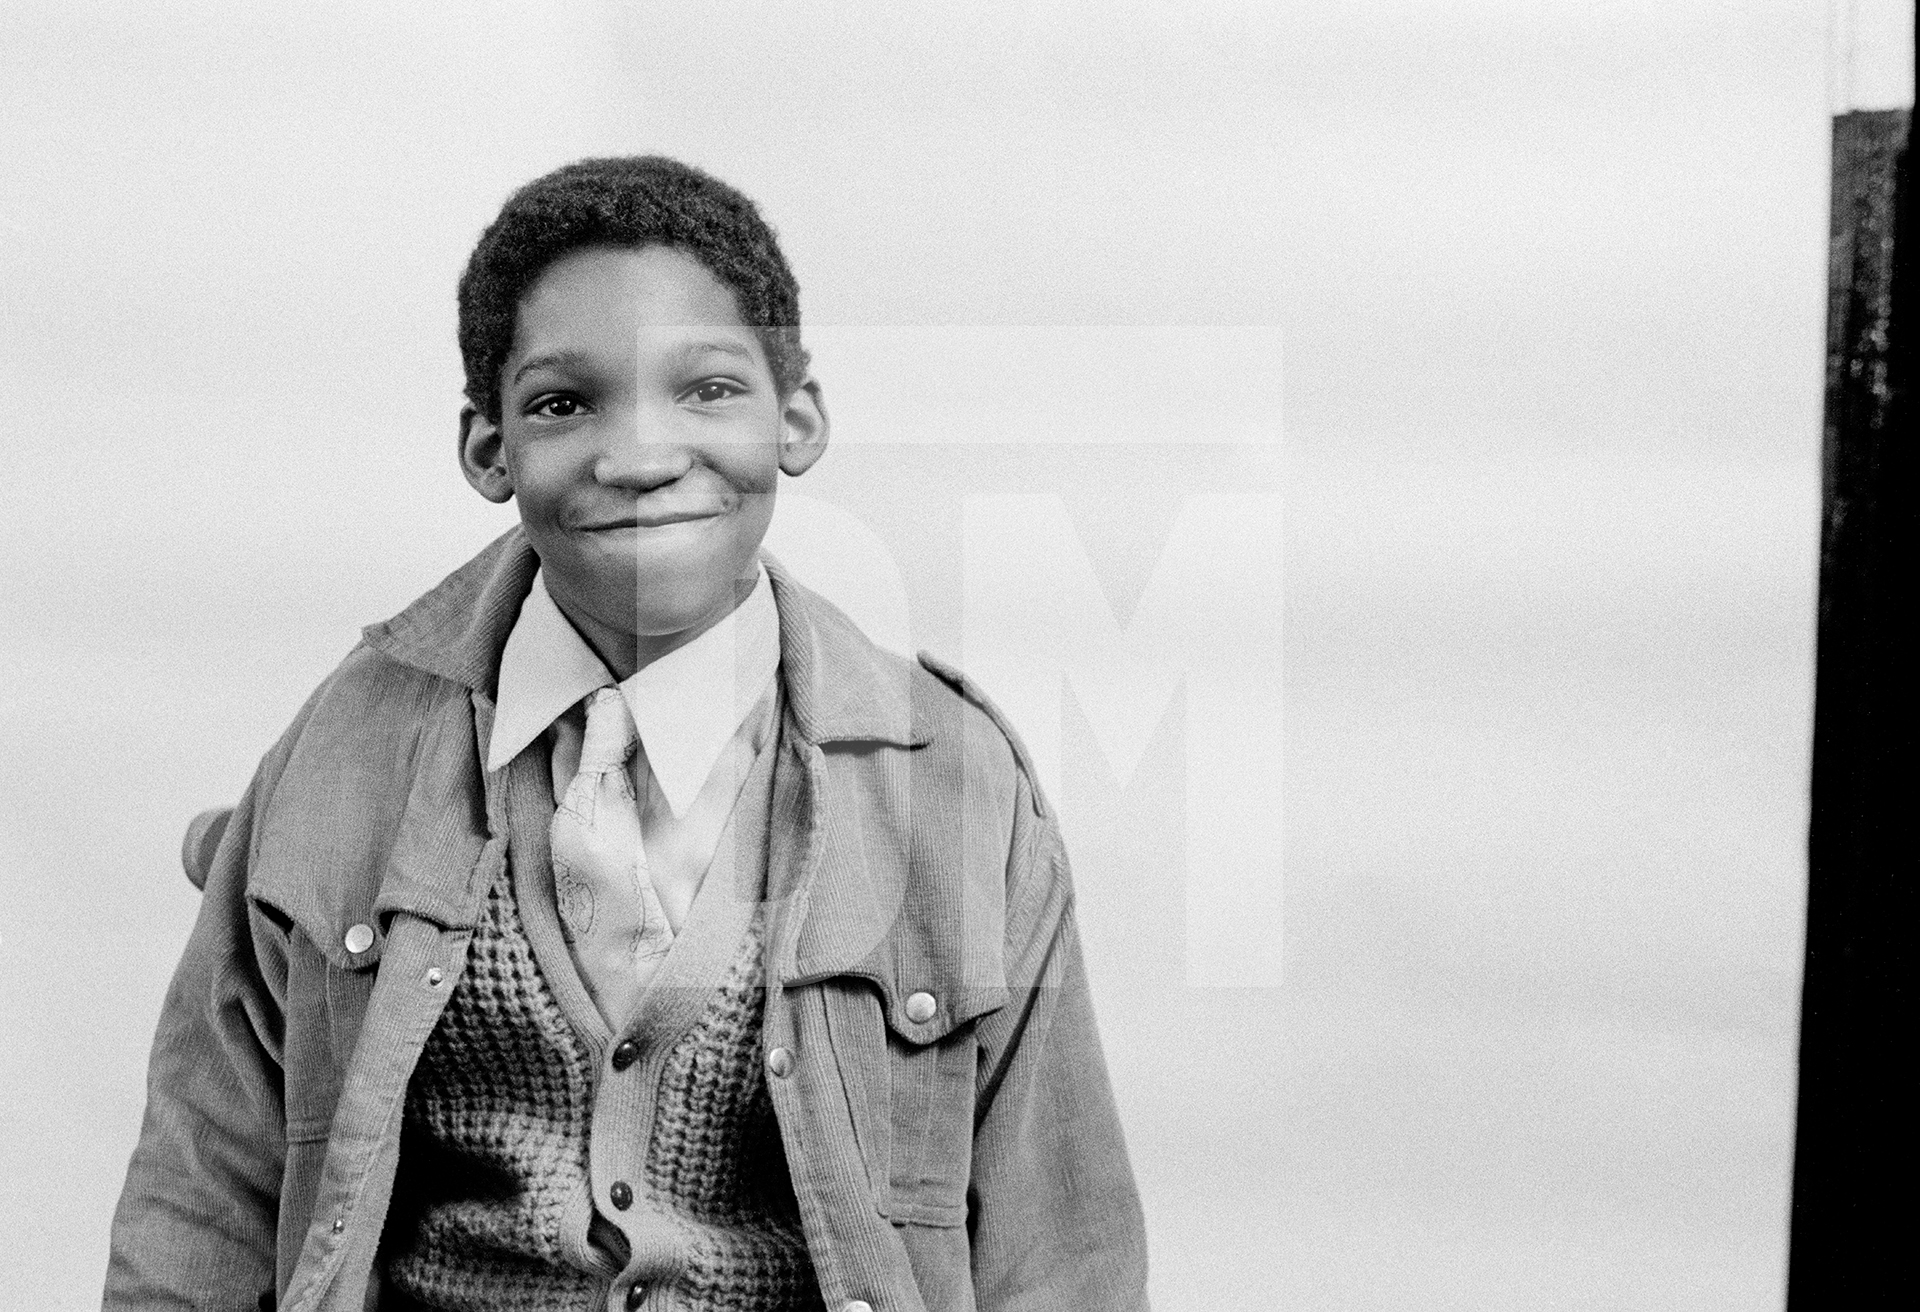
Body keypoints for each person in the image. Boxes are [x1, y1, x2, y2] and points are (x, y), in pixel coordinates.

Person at [104, 156, 1149, 1312]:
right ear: (489, 448)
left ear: (797, 421)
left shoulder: (954, 786)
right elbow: (199, 1194)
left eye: (708, 391)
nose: (642, 458)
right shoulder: (343, 760)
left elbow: (1062, 1254)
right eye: (564, 403)